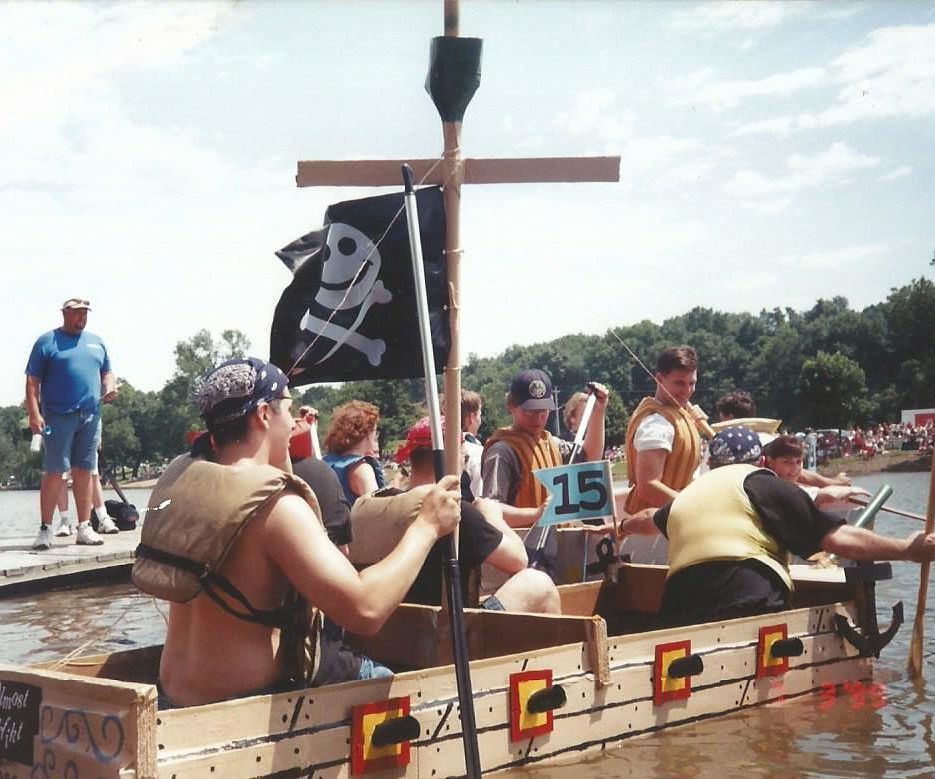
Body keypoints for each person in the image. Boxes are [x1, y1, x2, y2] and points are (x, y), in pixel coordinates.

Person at [132, 357, 461, 708]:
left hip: (171, 699)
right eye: (288, 411)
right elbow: (366, 610)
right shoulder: (276, 506)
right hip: (242, 710)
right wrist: (426, 526)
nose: (293, 424)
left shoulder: (185, 483)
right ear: (263, 414)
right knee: (400, 687)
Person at [617, 425, 935, 626]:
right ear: (761, 462)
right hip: (746, 598)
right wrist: (908, 548)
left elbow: (648, 519)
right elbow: (838, 539)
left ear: (710, 463)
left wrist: (620, 527)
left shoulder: (688, 494)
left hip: (679, 607)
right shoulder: (767, 485)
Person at [363, 417, 560, 613]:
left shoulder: (375, 503)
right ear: (451, 458)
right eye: (463, 457)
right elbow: (519, 560)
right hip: (448, 626)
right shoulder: (453, 512)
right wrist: (493, 517)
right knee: (537, 582)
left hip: (387, 621)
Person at [25, 297, 117, 550]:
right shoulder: (47, 342)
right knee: (55, 470)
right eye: (77, 313)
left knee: (85, 470)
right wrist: (34, 414)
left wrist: (110, 384)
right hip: (57, 415)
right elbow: (32, 382)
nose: (82, 317)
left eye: (85, 313)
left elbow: (107, 372)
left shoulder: (97, 342)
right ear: (65, 313)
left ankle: (84, 527)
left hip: (91, 415)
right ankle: (45, 529)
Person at [481, 369, 608, 530]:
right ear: (511, 405)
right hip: (521, 543)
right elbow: (490, 511)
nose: (538, 418)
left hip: (560, 540)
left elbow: (590, 457)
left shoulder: (551, 443)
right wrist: (536, 514)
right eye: (530, 411)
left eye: (543, 410)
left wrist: (598, 411)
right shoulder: (501, 452)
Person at [623, 346, 706, 513]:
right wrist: (695, 510)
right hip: (654, 522)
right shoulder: (656, 425)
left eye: (692, 383)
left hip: (674, 515)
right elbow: (648, 487)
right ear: (660, 379)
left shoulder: (679, 414)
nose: (687, 391)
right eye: (679, 383)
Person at [762, 435, 868, 508]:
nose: (795, 468)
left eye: (799, 462)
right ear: (770, 462)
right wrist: (851, 489)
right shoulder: (777, 488)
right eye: (787, 462)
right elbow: (827, 495)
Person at [322, 400, 385, 504]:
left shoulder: (325, 463)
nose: (376, 436)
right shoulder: (362, 469)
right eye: (374, 431)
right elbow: (377, 509)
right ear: (366, 433)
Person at [460, 389, 484, 500]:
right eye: (479, 414)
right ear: (471, 417)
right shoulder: (476, 452)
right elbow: (480, 496)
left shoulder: (437, 447)